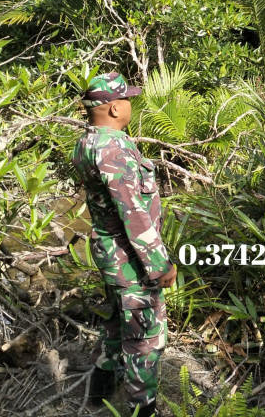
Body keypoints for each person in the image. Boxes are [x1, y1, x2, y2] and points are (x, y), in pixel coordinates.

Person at [70, 72, 177, 417]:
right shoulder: (112, 148)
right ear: (115, 108)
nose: (131, 104)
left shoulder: (89, 141)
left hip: (109, 251)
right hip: (129, 258)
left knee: (118, 319)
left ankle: (101, 386)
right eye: (128, 99)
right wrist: (161, 265)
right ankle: (141, 408)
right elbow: (133, 214)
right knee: (144, 335)